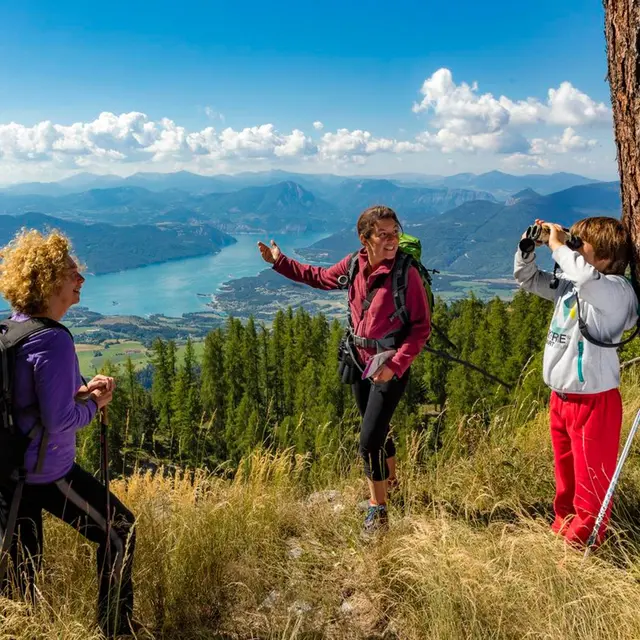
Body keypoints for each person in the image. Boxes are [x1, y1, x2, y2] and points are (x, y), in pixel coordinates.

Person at [258, 205, 431, 533]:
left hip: (389, 366)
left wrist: (395, 366)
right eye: (383, 234)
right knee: (377, 429)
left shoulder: (405, 274)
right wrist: (279, 262)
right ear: (365, 238)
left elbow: (421, 327)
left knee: (368, 441)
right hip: (358, 359)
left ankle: (378, 510)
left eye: (395, 232)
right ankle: (392, 484)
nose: (392, 239)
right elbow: (319, 277)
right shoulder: (354, 264)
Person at [0, 229, 136, 637]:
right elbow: (59, 420)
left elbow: (31, 400)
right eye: (71, 274)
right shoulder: (54, 340)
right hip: (46, 473)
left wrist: (82, 390)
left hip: (10, 473)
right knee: (119, 530)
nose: (81, 279)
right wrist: (96, 405)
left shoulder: (14, 329)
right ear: (47, 282)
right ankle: (116, 628)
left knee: (21, 578)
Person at [514, 216, 638, 547]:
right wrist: (528, 248)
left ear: (607, 257)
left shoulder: (617, 291)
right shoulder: (571, 285)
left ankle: (582, 547)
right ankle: (563, 529)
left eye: (581, 245)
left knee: (590, 483)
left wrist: (558, 245)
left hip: (594, 401)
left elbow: (586, 277)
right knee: (566, 480)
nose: (574, 249)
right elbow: (527, 279)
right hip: (561, 398)